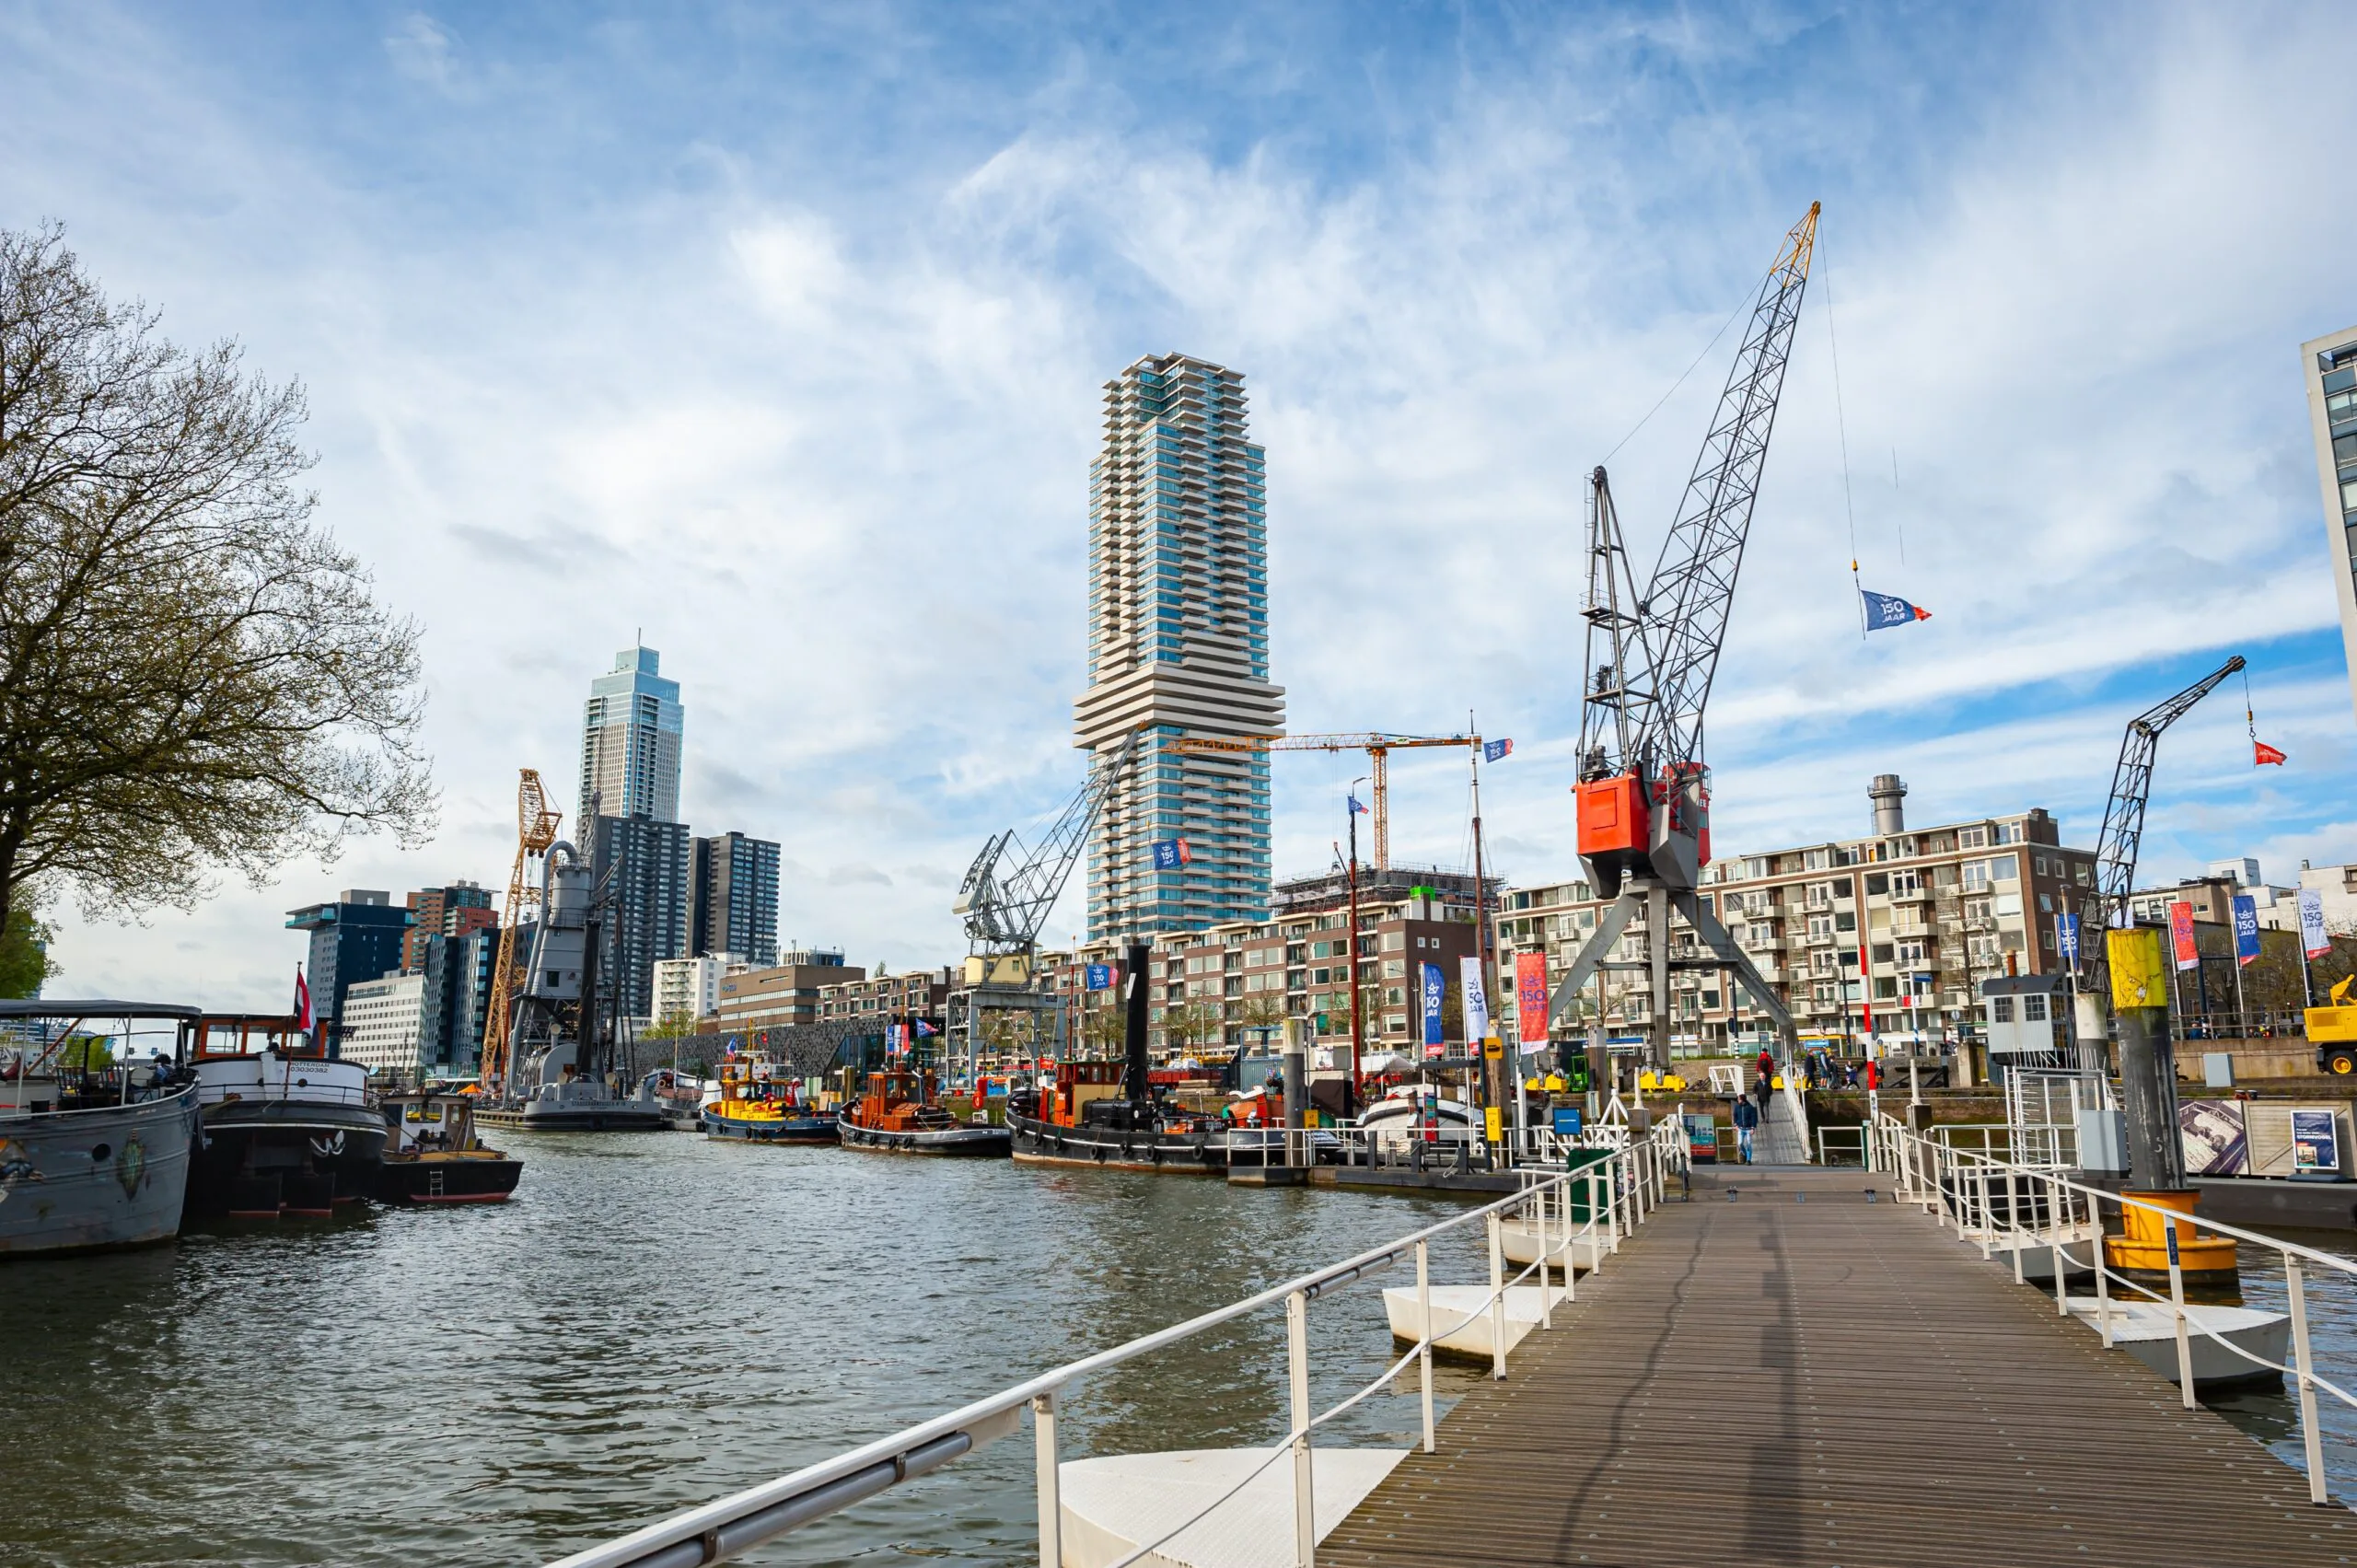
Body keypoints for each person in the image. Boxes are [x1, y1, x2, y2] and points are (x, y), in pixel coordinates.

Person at [1731, 1093, 1759, 1163]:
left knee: (1748, 1144)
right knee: (1740, 1144)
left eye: (1739, 1099)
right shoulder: (1737, 1107)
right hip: (1740, 1128)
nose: (1738, 1100)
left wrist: (1753, 1128)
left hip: (1748, 1129)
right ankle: (1746, 1154)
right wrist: (1735, 1125)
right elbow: (1735, 1116)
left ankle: (1748, 1160)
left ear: (1743, 1100)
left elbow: (1754, 1118)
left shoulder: (1750, 1107)